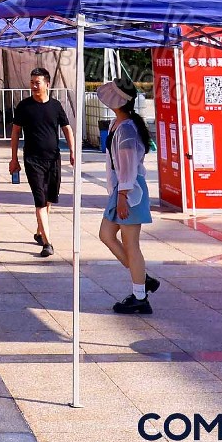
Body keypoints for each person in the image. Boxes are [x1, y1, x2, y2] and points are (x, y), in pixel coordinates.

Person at [97, 78, 160, 314]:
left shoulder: (127, 130)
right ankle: (142, 277)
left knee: (131, 244)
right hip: (121, 191)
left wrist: (123, 196)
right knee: (106, 235)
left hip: (130, 192)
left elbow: (128, 166)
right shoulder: (119, 123)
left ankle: (140, 296)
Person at [8, 66, 75, 258]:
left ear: (47, 84)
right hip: (32, 160)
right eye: (32, 83)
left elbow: (67, 128)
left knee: (48, 199)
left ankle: (39, 232)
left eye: (37, 83)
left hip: (53, 159)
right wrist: (14, 158)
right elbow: (15, 132)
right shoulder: (24, 106)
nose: (34, 86)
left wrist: (72, 151)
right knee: (39, 200)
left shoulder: (55, 106)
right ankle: (47, 243)